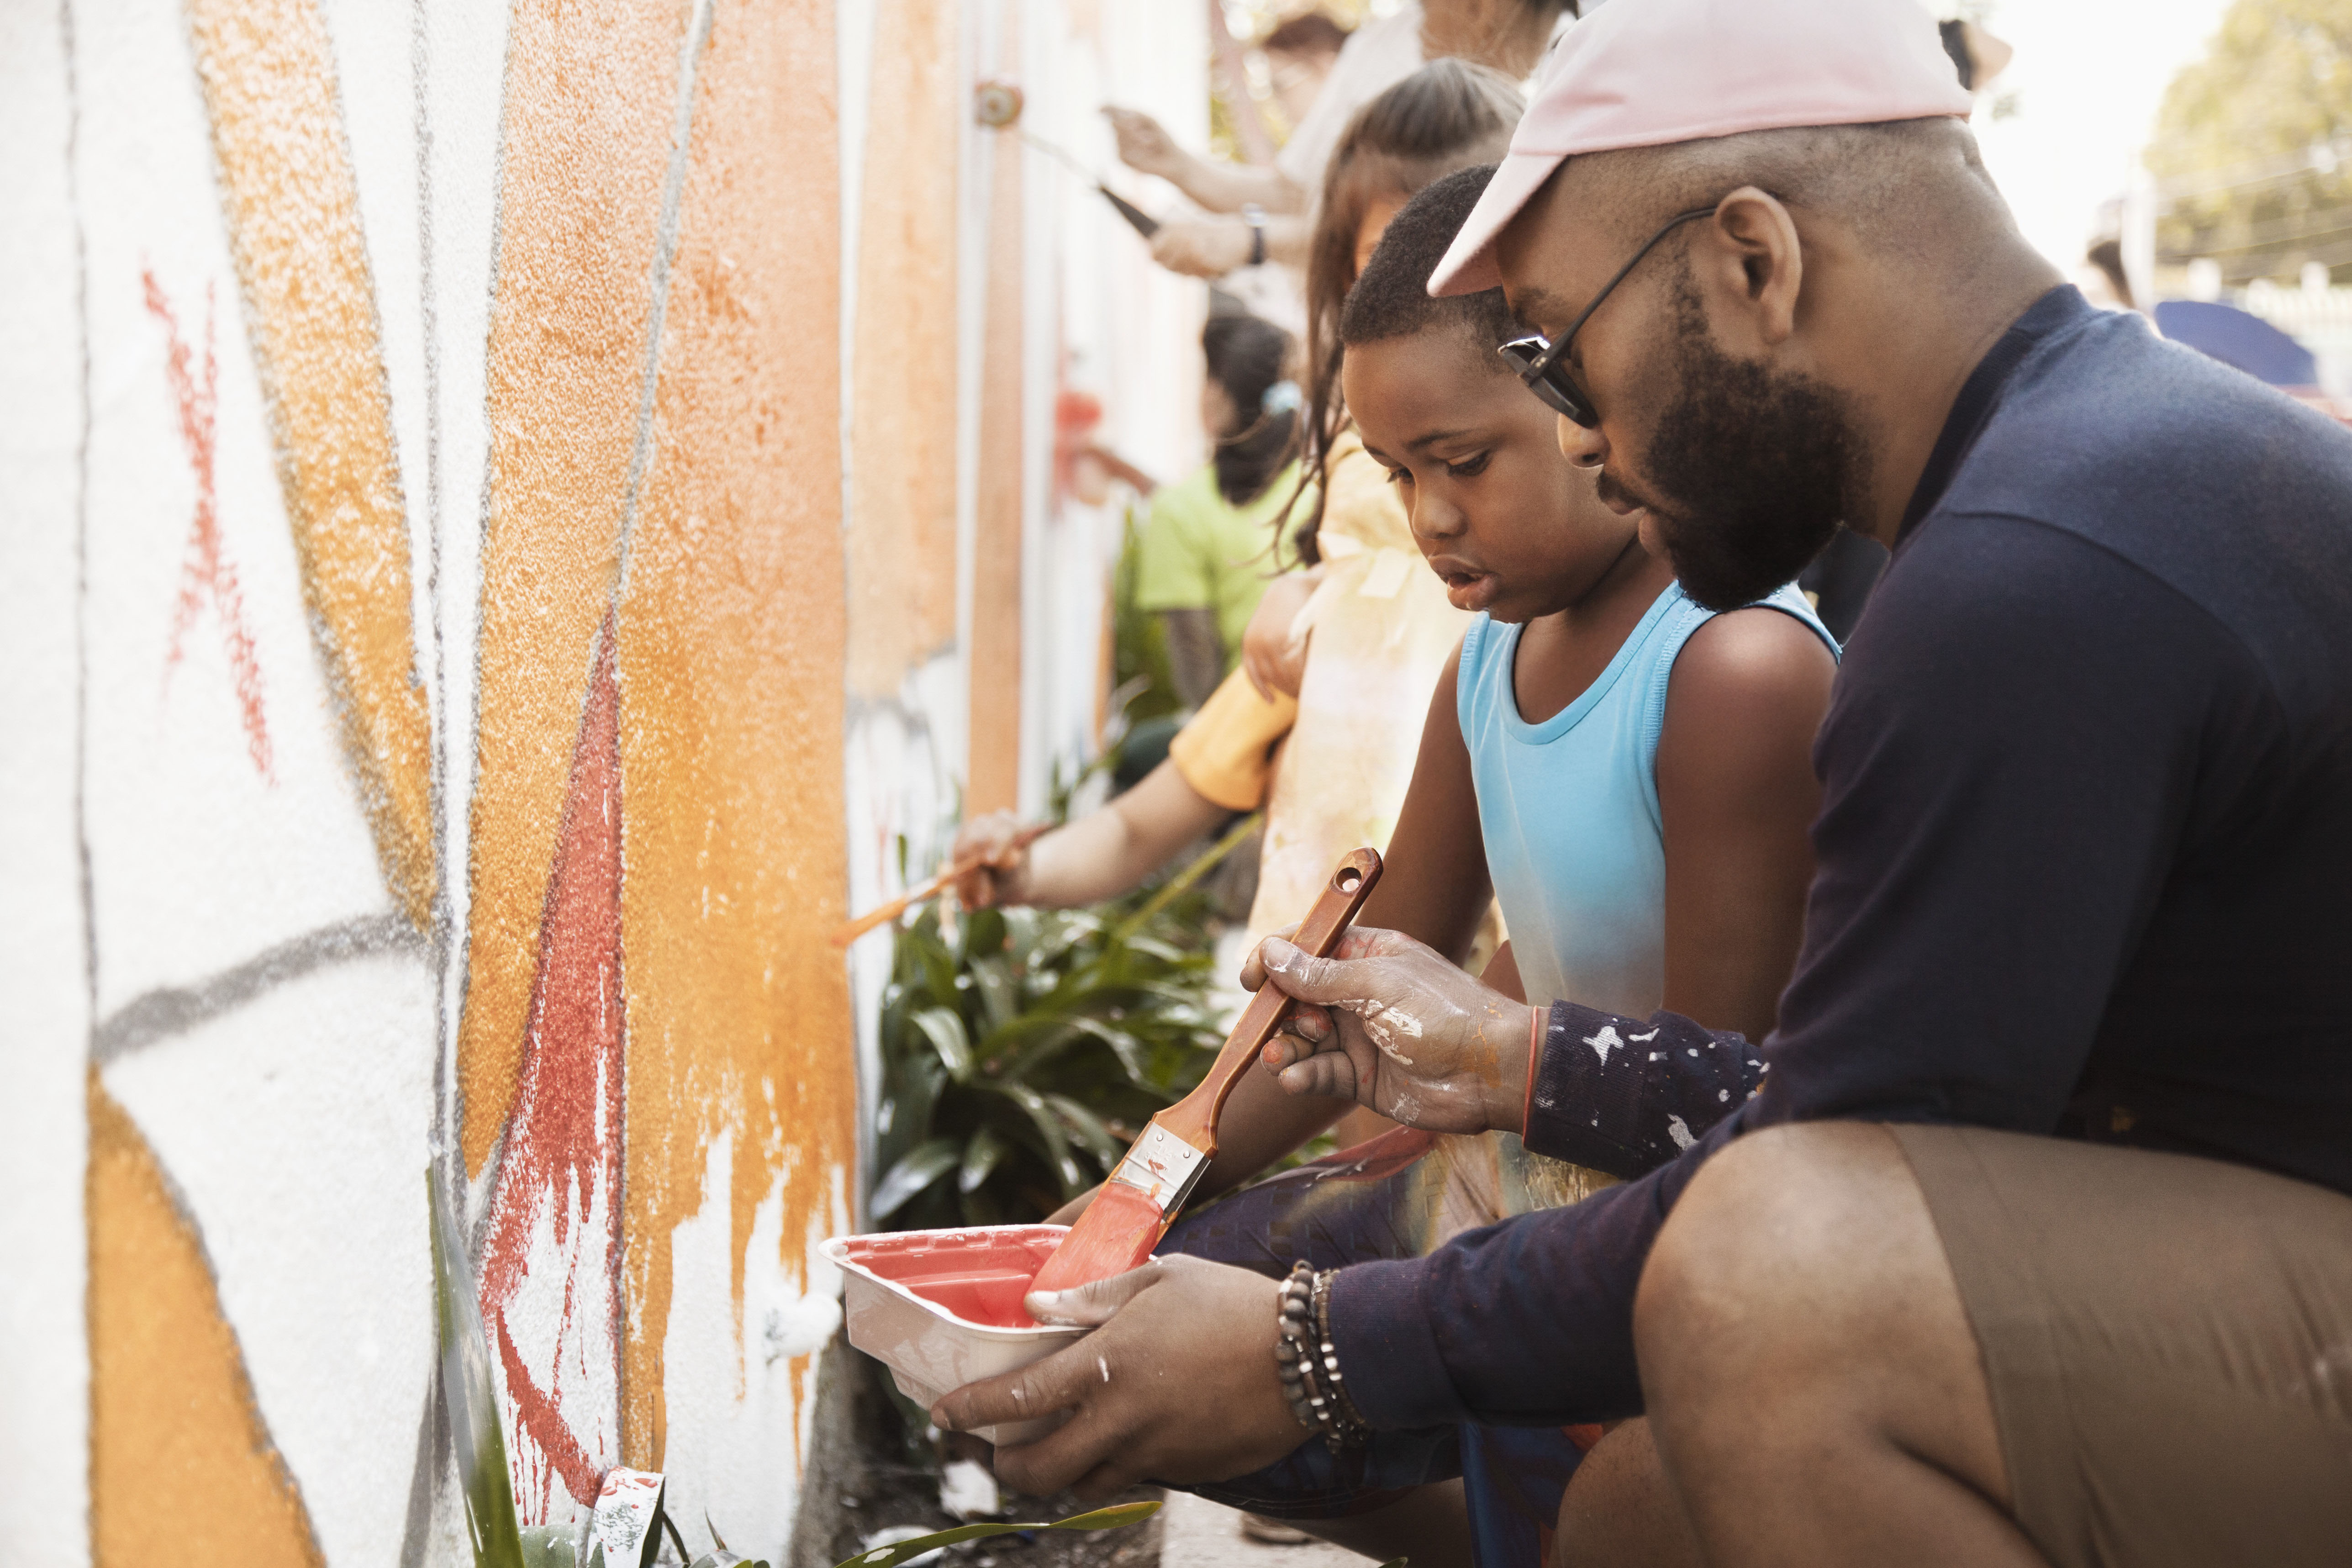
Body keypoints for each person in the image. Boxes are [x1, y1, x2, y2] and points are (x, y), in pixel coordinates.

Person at [931, 0, 2352, 1564]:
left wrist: (1309, 1346)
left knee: (1772, 1276)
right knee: (1636, 1508)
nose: (1590, 437)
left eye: (1555, 345)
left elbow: (1826, 1184)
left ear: (1754, 264)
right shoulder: (2067, 478)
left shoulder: (2028, 569)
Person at [1142, 164, 1835, 1568]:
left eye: (1465, 461)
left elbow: (1719, 1093)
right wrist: (1136, 1188)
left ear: (1593, 411)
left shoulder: (1733, 667)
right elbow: (1352, 986)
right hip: (1514, 1181)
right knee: (1162, 1348)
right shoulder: (1487, 665)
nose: (1431, 516)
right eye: (1398, 474)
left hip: (1665, 1233)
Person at [955, 63, 1523, 940]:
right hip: (1306, 1054)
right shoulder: (1332, 614)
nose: (1431, 511)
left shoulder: (1554, 634)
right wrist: (1020, 868)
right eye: (1383, 269)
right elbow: (1144, 822)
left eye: (1463, 266)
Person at [1107, 1, 1571, 281]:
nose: (1421, 21)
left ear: (1484, 7)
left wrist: (1254, 243)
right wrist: (1178, 167)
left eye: (1429, 4)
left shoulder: (1559, 83)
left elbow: (1411, 236)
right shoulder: (1382, 40)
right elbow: (1299, 191)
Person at [1132, 314, 1308, 710]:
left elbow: (1197, 668)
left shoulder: (1180, 509)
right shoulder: (1331, 482)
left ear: (1217, 398)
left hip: (1248, 718)